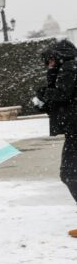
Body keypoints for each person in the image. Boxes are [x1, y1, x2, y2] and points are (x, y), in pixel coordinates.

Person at [34, 39, 77, 237]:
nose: (48, 66)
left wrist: (43, 93)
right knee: (70, 174)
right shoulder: (67, 67)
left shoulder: (70, 67)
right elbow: (63, 103)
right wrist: (43, 100)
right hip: (73, 131)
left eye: (50, 61)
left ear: (57, 56)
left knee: (70, 174)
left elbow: (63, 94)